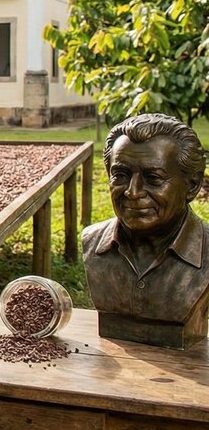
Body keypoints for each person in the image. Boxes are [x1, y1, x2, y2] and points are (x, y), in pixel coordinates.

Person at [82, 112, 209, 349]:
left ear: (192, 185)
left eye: (153, 178)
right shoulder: (92, 241)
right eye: (121, 175)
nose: (133, 191)